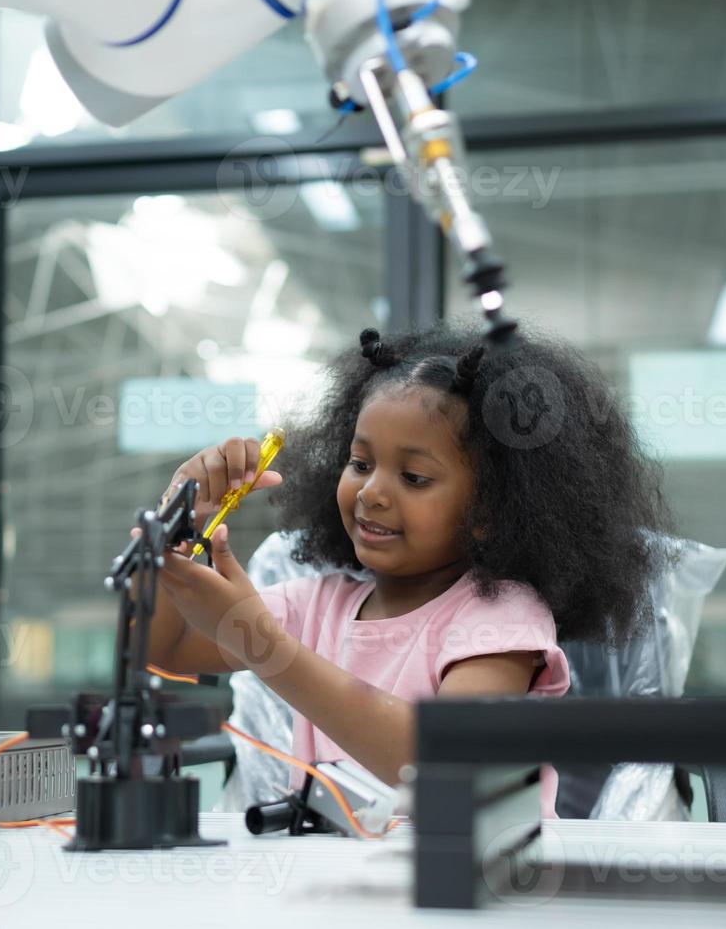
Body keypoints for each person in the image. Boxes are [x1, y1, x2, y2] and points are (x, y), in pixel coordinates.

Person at [145, 322, 673, 817]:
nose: (372, 492)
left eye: (414, 477)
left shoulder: (502, 619)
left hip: (475, 897)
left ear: (491, 513)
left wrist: (263, 646)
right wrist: (178, 521)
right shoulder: (315, 604)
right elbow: (159, 647)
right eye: (360, 463)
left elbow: (438, 761)